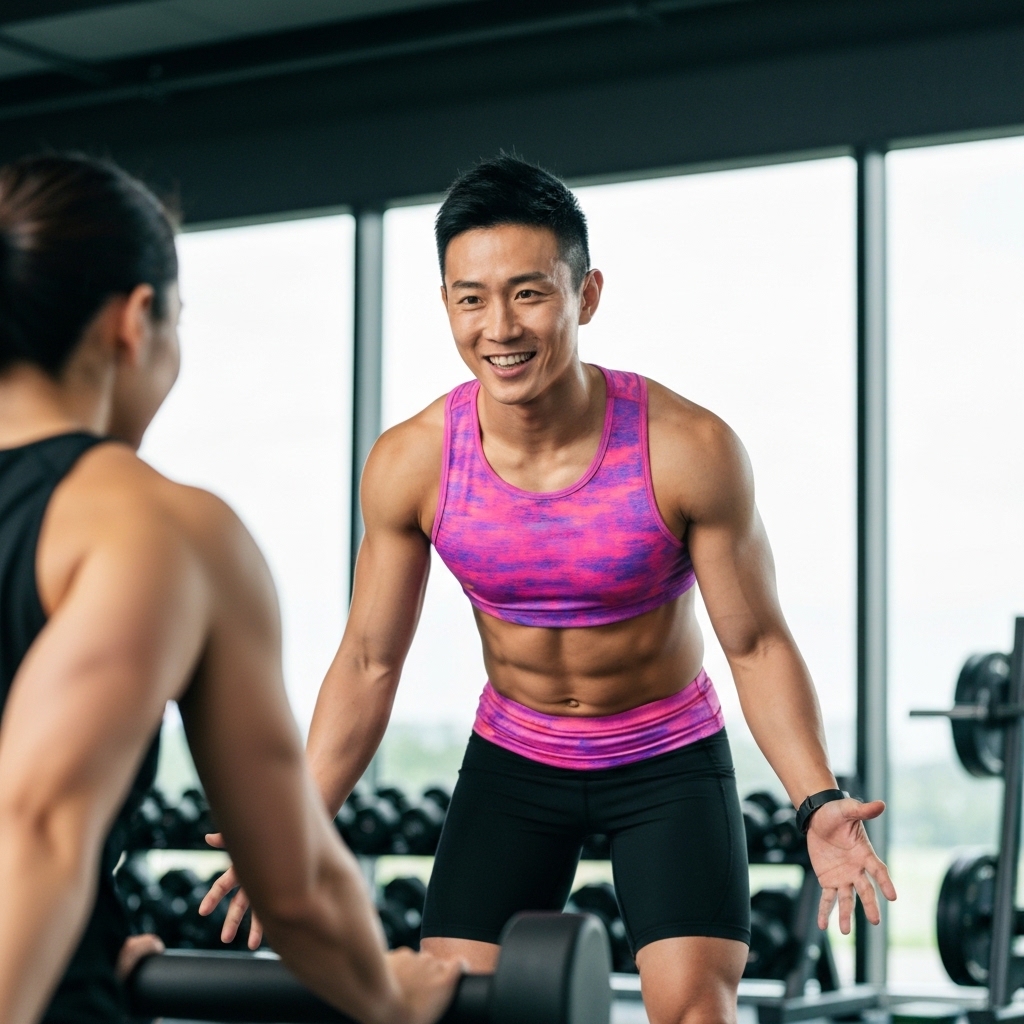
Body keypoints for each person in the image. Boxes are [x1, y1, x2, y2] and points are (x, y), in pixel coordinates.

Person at [204, 155, 896, 1024]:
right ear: (446, 303)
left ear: (586, 295)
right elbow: (370, 660)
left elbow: (755, 645)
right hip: (517, 759)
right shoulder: (413, 462)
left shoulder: (688, 448)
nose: (500, 327)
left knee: (696, 1014)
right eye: (471, 298)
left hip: (665, 758)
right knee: (456, 1004)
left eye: (529, 294)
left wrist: (817, 799)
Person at [0, 153, 462, 1024]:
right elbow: (290, 884)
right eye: (177, 321)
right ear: (134, 321)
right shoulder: (152, 528)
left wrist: (88, 931)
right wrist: (391, 996)